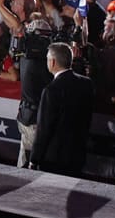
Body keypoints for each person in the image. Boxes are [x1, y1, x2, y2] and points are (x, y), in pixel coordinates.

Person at [30, 42, 95, 177]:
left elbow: (44, 129)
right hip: (78, 155)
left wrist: (34, 159)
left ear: (53, 62)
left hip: (54, 159)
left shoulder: (51, 90)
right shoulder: (86, 84)